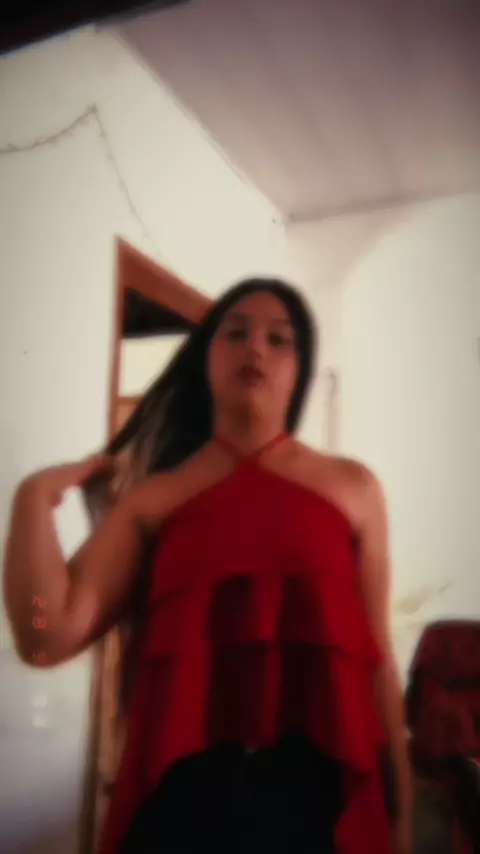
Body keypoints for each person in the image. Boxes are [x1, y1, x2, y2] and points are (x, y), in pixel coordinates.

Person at [3, 278, 412, 853]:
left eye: (279, 339)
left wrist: (400, 814)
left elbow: (378, 661)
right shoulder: (152, 503)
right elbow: (44, 635)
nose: (255, 349)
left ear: (300, 370)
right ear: (206, 358)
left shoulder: (354, 490)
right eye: (236, 333)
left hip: (322, 806)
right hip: (183, 808)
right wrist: (33, 497)